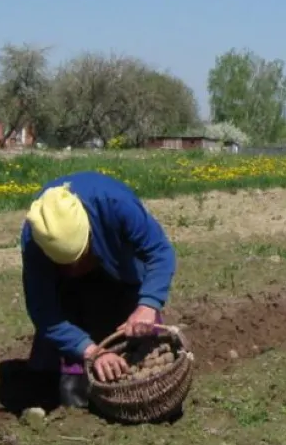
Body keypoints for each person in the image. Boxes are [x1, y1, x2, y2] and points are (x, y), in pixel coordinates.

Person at [21, 171, 178, 408]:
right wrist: (91, 351)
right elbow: (43, 310)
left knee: (142, 350)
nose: (75, 268)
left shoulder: (115, 204)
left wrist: (148, 304)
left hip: (120, 269)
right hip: (67, 292)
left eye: (80, 258)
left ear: (90, 233)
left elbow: (159, 252)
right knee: (70, 389)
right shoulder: (35, 237)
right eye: (66, 264)